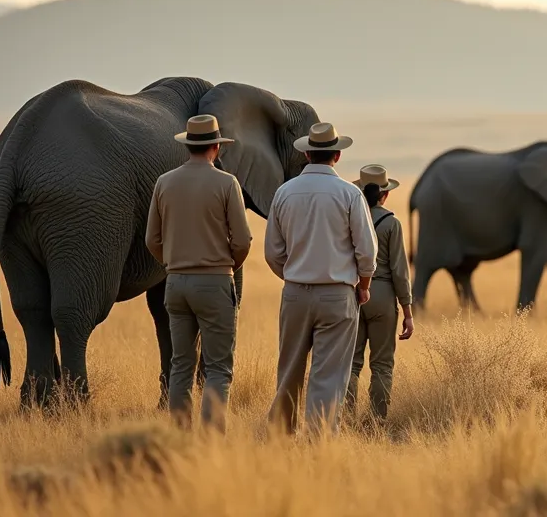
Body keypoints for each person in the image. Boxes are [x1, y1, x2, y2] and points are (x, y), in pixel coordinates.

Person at [263, 122, 377, 435]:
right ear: (337, 156)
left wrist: (294, 276)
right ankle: (319, 441)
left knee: (289, 371)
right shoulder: (350, 194)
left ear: (307, 153)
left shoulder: (284, 193)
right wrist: (363, 287)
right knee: (328, 375)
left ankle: (279, 438)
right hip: (338, 295)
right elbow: (367, 252)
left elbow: (273, 252)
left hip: (296, 294)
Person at [144, 114, 252, 432]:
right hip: (216, 281)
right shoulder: (226, 183)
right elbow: (243, 240)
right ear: (216, 147)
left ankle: (179, 436)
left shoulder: (164, 182)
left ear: (188, 146)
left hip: (175, 283)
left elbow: (152, 239)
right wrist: (230, 265)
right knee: (218, 368)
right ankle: (211, 441)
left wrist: (172, 264)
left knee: (180, 365)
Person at [345, 164, 415, 424]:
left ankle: (345, 419)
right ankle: (376, 421)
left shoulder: (350, 217)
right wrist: (407, 312)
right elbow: (400, 271)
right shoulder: (392, 223)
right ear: (384, 195)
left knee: (351, 363)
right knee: (382, 365)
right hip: (384, 294)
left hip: (352, 292)